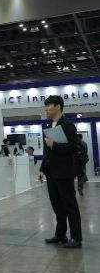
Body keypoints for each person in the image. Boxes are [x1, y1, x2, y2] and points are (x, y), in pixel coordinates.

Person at [38, 95, 82, 248]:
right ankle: (60, 234)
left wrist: (54, 145)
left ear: (58, 107)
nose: (46, 109)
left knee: (70, 205)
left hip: (64, 172)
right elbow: (47, 152)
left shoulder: (68, 125)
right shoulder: (50, 125)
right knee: (57, 205)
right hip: (51, 173)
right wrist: (42, 169)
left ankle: (76, 238)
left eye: (48, 106)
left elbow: (74, 147)